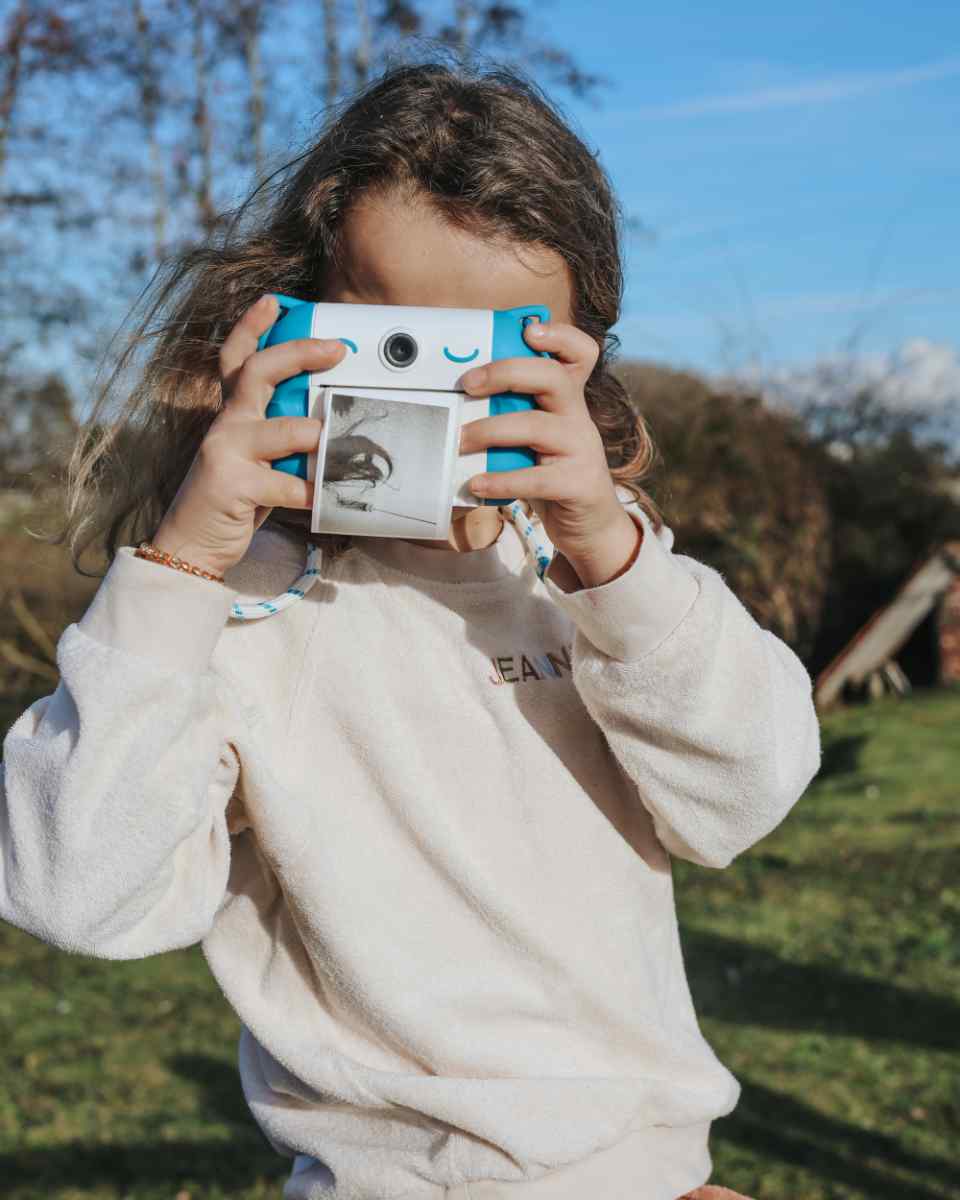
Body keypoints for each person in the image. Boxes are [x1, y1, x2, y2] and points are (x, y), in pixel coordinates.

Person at [0, 58, 819, 1200]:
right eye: (394, 343)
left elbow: (746, 793)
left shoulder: (591, 570)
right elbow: (76, 893)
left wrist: (610, 549)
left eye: (492, 355)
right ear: (287, 320)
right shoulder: (233, 611)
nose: (438, 402)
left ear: (581, 353)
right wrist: (185, 561)